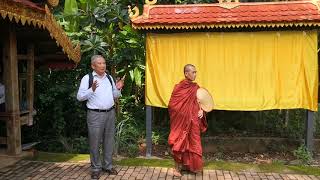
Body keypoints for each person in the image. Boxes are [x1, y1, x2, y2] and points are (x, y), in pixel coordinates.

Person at [77, 55, 124, 179]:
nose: (103, 65)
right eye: (99, 63)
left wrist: (119, 88)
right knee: (95, 142)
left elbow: (115, 95)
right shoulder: (87, 78)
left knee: (109, 141)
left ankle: (107, 166)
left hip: (110, 113)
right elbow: (80, 97)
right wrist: (91, 89)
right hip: (94, 115)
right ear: (93, 66)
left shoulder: (109, 78)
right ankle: (95, 168)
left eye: (104, 63)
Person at [168, 64, 208, 177]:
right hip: (181, 122)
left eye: (196, 72)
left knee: (193, 143)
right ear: (186, 73)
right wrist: (184, 114)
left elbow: (201, 102)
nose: (195, 74)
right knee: (179, 142)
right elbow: (172, 105)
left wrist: (201, 111)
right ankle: (177, 169)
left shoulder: (196, 88)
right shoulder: (178, 88)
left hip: (193, 121)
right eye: (193, 72)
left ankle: (191, 166)